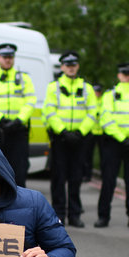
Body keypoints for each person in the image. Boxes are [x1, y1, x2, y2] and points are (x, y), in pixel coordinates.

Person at [41, 51, 98, 228]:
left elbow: (92, 112)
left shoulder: (87, 88)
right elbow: (49, 111)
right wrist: (63, 131)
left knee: (75, 177)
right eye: (68, 65)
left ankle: (75, 214)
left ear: (77, 66)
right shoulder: (54, 87)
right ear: (63, 67)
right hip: (61, 139)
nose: (71, 68)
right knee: (58, 178)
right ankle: (58, 215)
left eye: (74, 65)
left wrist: (80, 132)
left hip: (80, 140)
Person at [94, 63, 129, 229]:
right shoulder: (110, 95)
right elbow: (105, 118)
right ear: (119, 75)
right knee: (108, 181)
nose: (128, 76)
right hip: (114, 143)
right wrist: (122, 138)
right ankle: (103, 216)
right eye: (125, 74)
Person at [0, 43, 37, 187]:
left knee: (19, 170)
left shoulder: (24, 78)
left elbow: (30, 101)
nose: (7, 60)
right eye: (4, 57)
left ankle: (18, 204)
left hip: (18, 131)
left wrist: (19, 120)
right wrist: (0, 119)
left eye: (10, 57)